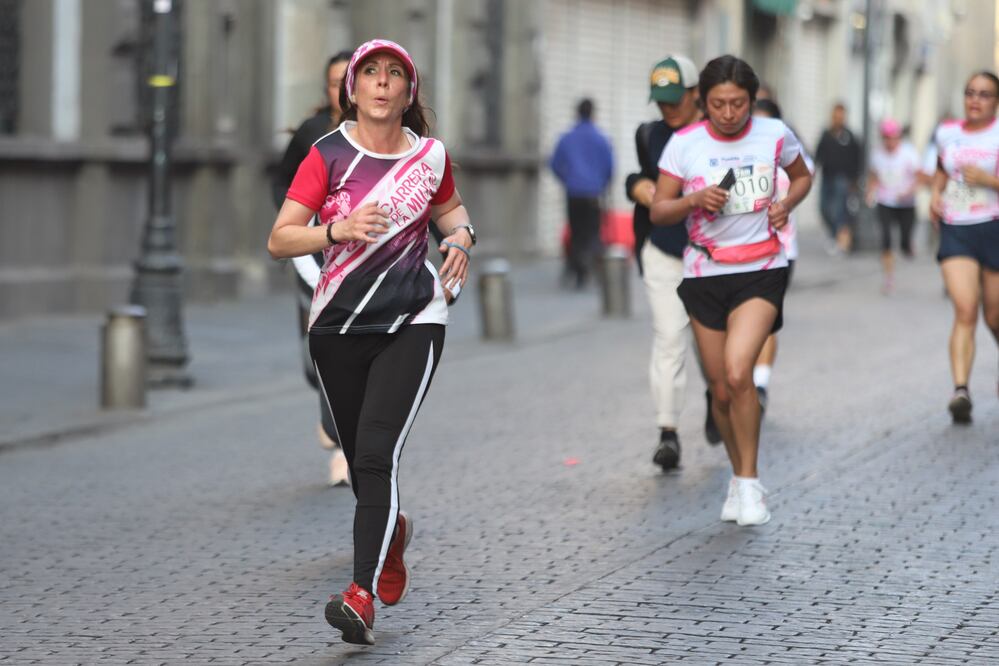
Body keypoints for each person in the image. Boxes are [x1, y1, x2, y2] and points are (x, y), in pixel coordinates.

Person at [268, 38, 475, 645]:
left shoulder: (431, 157)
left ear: (408, 92)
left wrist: (461, 241)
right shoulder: (326, 155)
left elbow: (454, 214)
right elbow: (280, 239)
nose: (382, 83)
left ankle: (360, 595)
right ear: (352, 90)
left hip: (413, 319)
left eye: (394, 74)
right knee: (362, 462)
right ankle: (393, 530)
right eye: (371, 73)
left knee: (375, 457)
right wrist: (337, 229)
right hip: (337, 326)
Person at [650, 55, 812, 526]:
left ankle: (749, 481)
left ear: (751, 100)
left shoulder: (774, 133)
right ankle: (738, 478)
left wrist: (787, 203)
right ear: (704, 101)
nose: (728, 113)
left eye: (738, 103)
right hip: (705, 272)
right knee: (720, 389)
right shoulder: (685, 143)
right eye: (718, 104)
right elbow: (659, 210)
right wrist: (694, 200)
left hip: (762, 267)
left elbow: (803, 176)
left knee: (741, 373)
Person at [624, 55, 719, 471]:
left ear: (695, 94)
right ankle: (668, 432)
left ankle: (718, 396)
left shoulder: (717, 134)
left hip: (712, 257)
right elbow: (640, 176)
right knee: (668, 339)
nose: (667, 108)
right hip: (664, 251)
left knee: (710, 343)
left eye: (675, 99)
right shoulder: (650, 134)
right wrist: (638, 187)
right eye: (661, 101)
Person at [272, 51, 354, 487]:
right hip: (313, 257)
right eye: (334, 82)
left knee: (345, 354)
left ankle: (343, 448)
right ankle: (332, 421)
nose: (343, 90)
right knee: (313, 360)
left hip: (359, 264)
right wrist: (294, 223)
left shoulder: (383, 136)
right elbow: (281, 181)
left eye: (349, 80)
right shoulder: (312, 133)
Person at [929, 70, 999, 424]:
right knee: (966, 309)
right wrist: (935, 194)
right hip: (957, 228)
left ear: (996, 102)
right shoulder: (947, 132)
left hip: (994, 226)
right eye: (970, 92)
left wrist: (989, 180)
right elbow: (942, 169)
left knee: (994, 316)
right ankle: (961, 391)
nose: (975, 100)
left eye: (984, 94)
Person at [750, 98, 813, 412]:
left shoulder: (789, 152)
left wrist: (785, 205)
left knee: (764, 322)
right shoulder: (738, 154)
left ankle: (759, 385)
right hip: (739, 252)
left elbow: (806, 176)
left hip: (781, 251)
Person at [549, 98, 614, 288]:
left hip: (574, 193)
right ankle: (594, 268)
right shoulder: (601, 138)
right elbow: (609, 167)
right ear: (593, 114)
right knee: (593, 232)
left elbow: (554, 164)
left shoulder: (567, 138)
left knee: (576, 232)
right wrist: (602, 184)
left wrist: (567, 179)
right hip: (593, 193)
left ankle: (578, 270)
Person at [866, 118, 921, 294]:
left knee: (904, 242)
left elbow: (919, 177)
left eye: (893, 138)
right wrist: (870, 191)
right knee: (886, 238)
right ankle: (888, 278)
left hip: (906, 203)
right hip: (885, 201)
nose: (890, 142)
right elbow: (873, 176)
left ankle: (907, 245)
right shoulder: (877, 154)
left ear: (899, 138)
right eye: (886, 138)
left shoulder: (908, 153)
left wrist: (909, 191)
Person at [815, 103, 862, 254]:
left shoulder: (850, 137)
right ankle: (836, 234)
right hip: (827, 177)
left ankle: (842, 240)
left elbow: (857, 159)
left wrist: (855, 180)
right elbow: (818, 155)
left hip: (843, 179)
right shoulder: (826, 135)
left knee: (840, 210)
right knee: (824, 208)